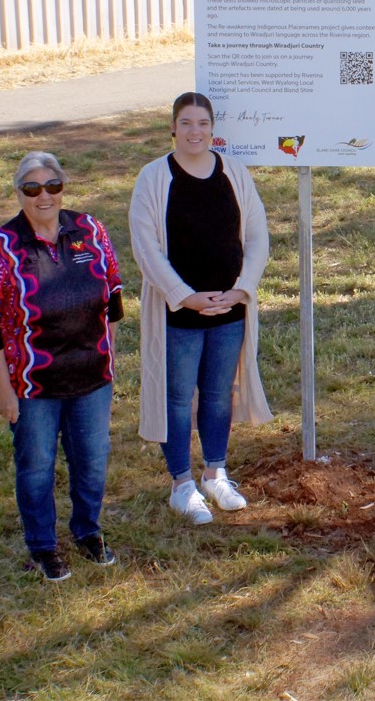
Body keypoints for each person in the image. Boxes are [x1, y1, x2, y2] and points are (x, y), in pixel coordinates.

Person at [0, 152, 123, 581]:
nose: (44, 196)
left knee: (92, 461)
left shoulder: (89, 230)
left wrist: (108, 354)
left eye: (52, 186)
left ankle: (88, 531)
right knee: (36, 466)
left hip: (92, 377)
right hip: (33, 383)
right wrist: (3, 390)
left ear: (63, 188)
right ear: (18, 193)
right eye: (32, 188)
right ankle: (42, 546)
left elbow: (112, 294)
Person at [129, 92, 271, 524]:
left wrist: (242, 289)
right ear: (173, 128)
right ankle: (181, 484)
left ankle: (214, 473)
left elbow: (258, 236)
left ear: (213, 129)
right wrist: (183, 294)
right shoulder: (153, 178)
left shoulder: (234, 173)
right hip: (178, 313)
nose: (195, 131)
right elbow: (146, 247)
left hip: (229, 310)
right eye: (186, 123)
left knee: (216, 394)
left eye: (203, 123)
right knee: (175, 398)